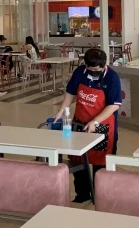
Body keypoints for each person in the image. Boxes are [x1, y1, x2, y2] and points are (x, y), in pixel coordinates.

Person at [53, 49, 122, 203]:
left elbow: (114, 105)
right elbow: (70, 93)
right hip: (80, 122)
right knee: (78, 159)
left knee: (101, 163)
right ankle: (82, 195)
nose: (94, 72)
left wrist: (95, 122)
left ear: (103, 65)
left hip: (103, 126)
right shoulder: (80, 72)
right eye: (91, 69)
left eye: (97, 69)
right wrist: (61, 111)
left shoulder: (112, 78)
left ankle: (100, 197)